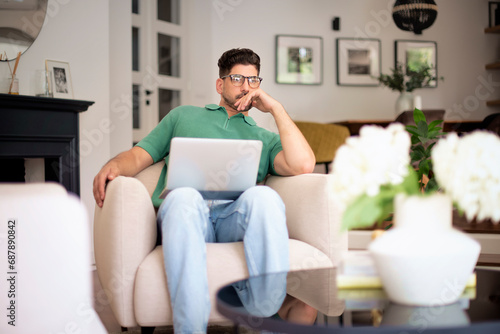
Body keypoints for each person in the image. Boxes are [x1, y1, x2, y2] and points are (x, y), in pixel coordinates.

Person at [93, 48, 315, 333]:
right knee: (183, 195)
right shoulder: (183, 116)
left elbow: (304, 164)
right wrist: (113, 165)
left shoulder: (264, 137)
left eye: (254, 80)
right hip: (187, 215)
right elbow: (139, 156)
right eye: (237, 78)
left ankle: (263, 308)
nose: (246, 86)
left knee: (265, 196)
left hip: (232, 220)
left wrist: (276, 109)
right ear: (220, 84)